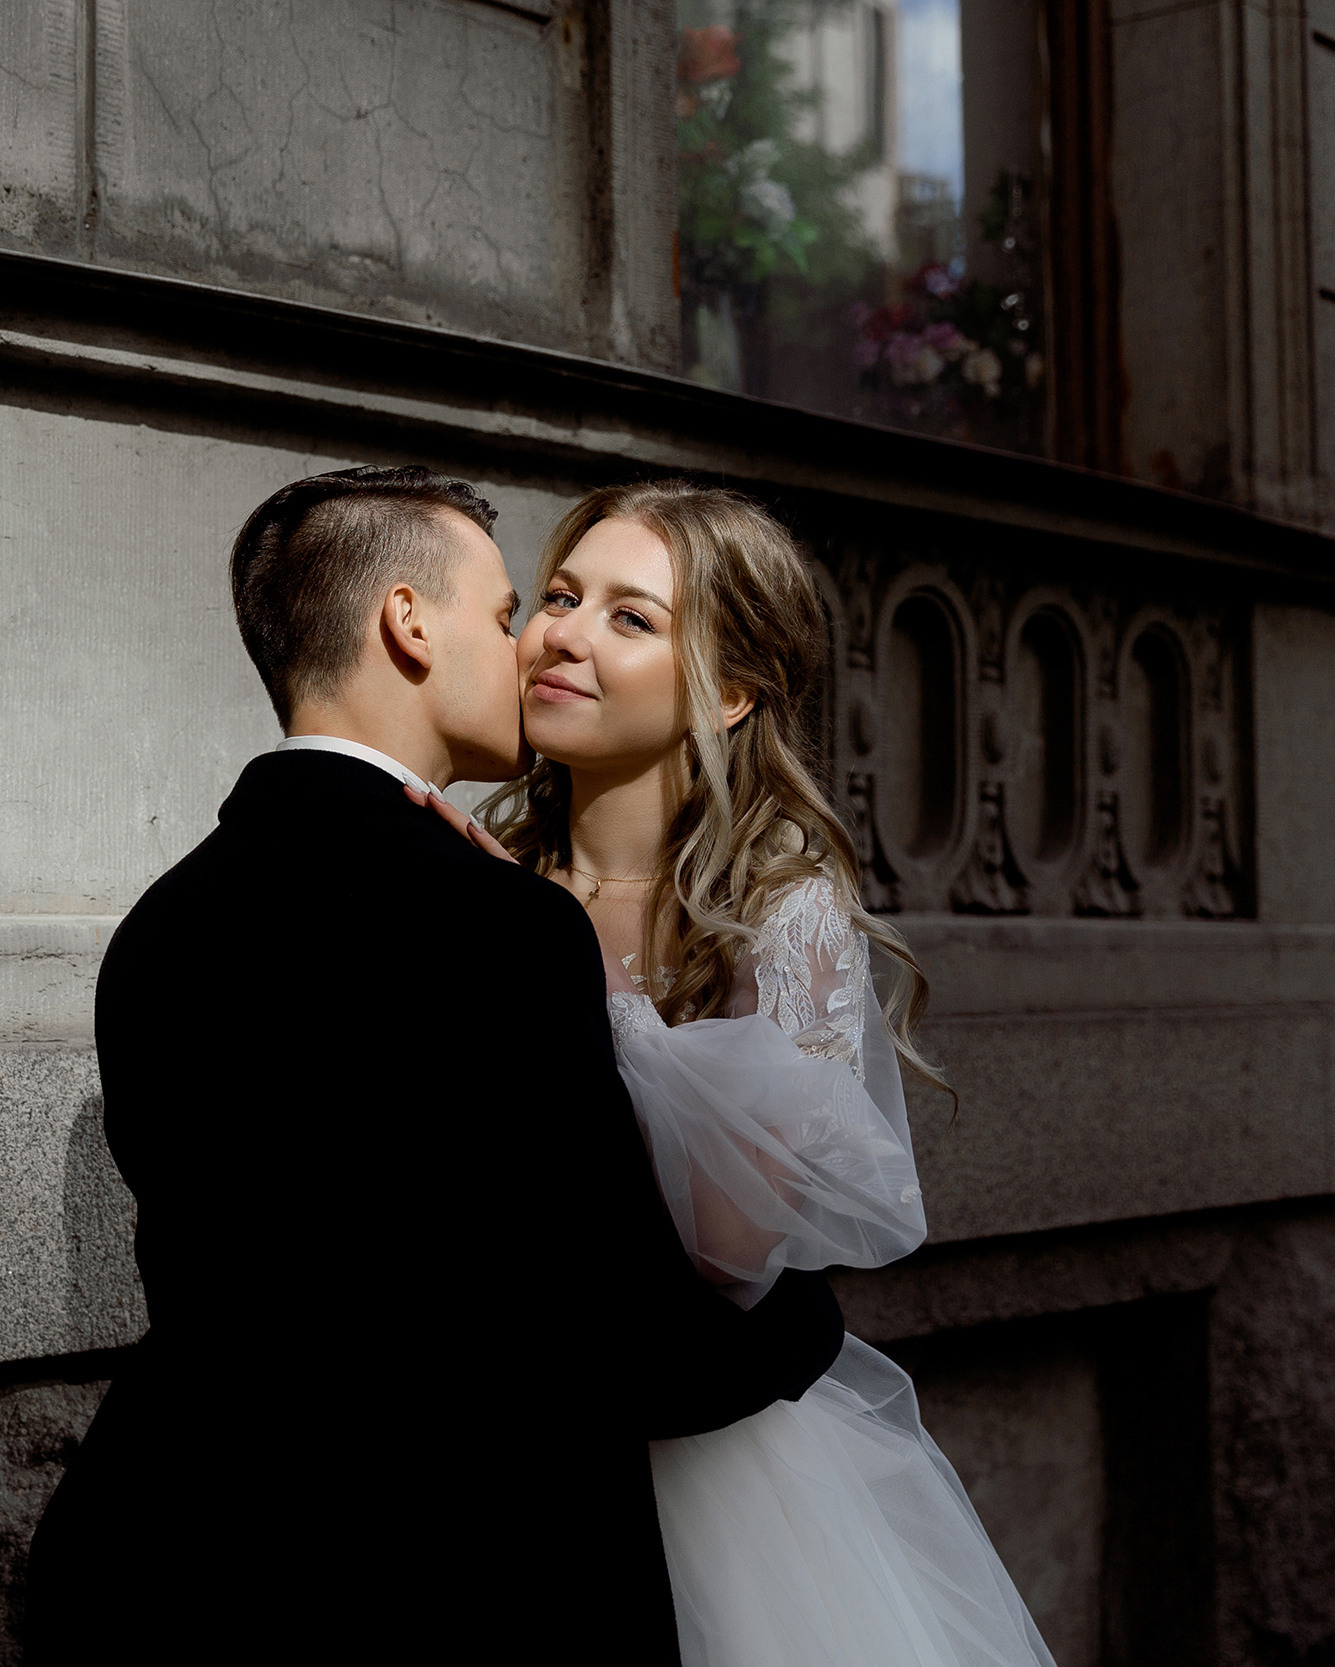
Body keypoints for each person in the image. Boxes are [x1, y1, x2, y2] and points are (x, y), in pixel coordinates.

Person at [25, 465, 851, 1664]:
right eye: (515, 608)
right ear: (409, 624)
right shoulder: (498, 928)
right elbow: (605, 1339)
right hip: (438, 1581)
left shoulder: (162, 922)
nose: (536, 645)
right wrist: (811, 1327)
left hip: (157, 1562)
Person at [427, 478, 1056, 1667]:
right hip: (501, 1446)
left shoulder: (781, 911)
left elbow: (729, 1246)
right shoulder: (475, 875)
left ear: (725, 691)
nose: (560, 634)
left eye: (630, 616)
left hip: (710, 1461)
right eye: (558, 595)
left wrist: (570, 985)